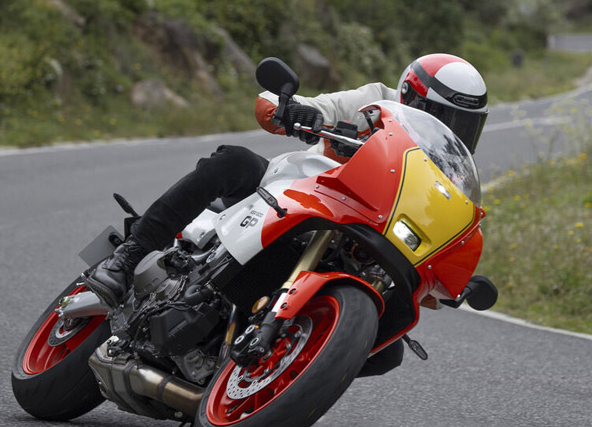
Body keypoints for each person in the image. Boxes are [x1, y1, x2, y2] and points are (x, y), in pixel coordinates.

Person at [83, 53, 489, 306]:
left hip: (359, 236)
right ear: (410, 97)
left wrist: (447, 271)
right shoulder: (375, 101)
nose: (451, 130)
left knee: (388, 351)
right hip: (297, 193)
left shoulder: (450, 170)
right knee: (233, 162)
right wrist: (297, 112)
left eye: (464, 124)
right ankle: (128, 258)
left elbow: (444, 225)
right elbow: (270, 103)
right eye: (442, 117)